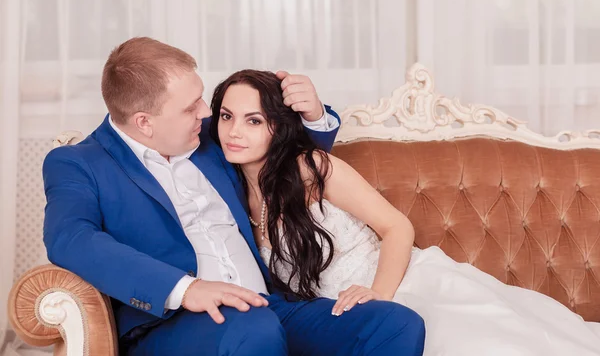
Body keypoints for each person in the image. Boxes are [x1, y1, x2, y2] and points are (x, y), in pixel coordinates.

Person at [43, 37, 426, 355]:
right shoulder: (80, 164)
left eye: (201, 100)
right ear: (145, 122)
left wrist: (313, 115)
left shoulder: (206, 137)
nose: (205, 113)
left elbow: (279, 150)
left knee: (394, 324)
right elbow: (71, 239)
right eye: (191, 107)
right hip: (177, 325)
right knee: (254, 330)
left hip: (269, 304)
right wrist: (184, 289)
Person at [211, 69, 600, 356]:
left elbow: (397, 226)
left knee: (481, 345)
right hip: (344, 319)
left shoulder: (312, 166)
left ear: (278, 127)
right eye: (226, 117)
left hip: (401, 285)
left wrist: (380, 294)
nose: (234, 132)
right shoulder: (228, 186)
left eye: (254, 120)